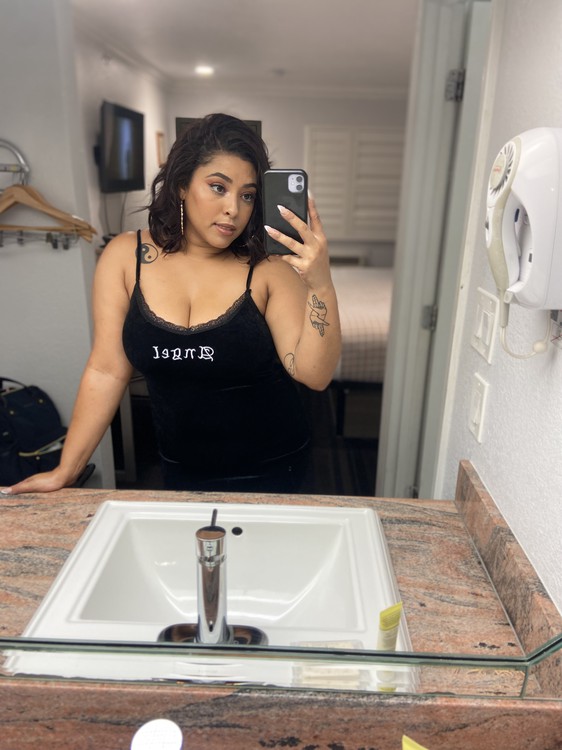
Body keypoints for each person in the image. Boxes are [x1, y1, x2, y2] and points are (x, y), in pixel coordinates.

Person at [2, 113, 341, 494]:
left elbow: (314, 374)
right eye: (218, 187)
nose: (233, 208)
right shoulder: (125, 257)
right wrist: (66, 469)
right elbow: (106, 370)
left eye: (247, 195)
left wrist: (321, 284)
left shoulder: (268, 269)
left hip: (275, 467)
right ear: (181, 185)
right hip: (181, 469)